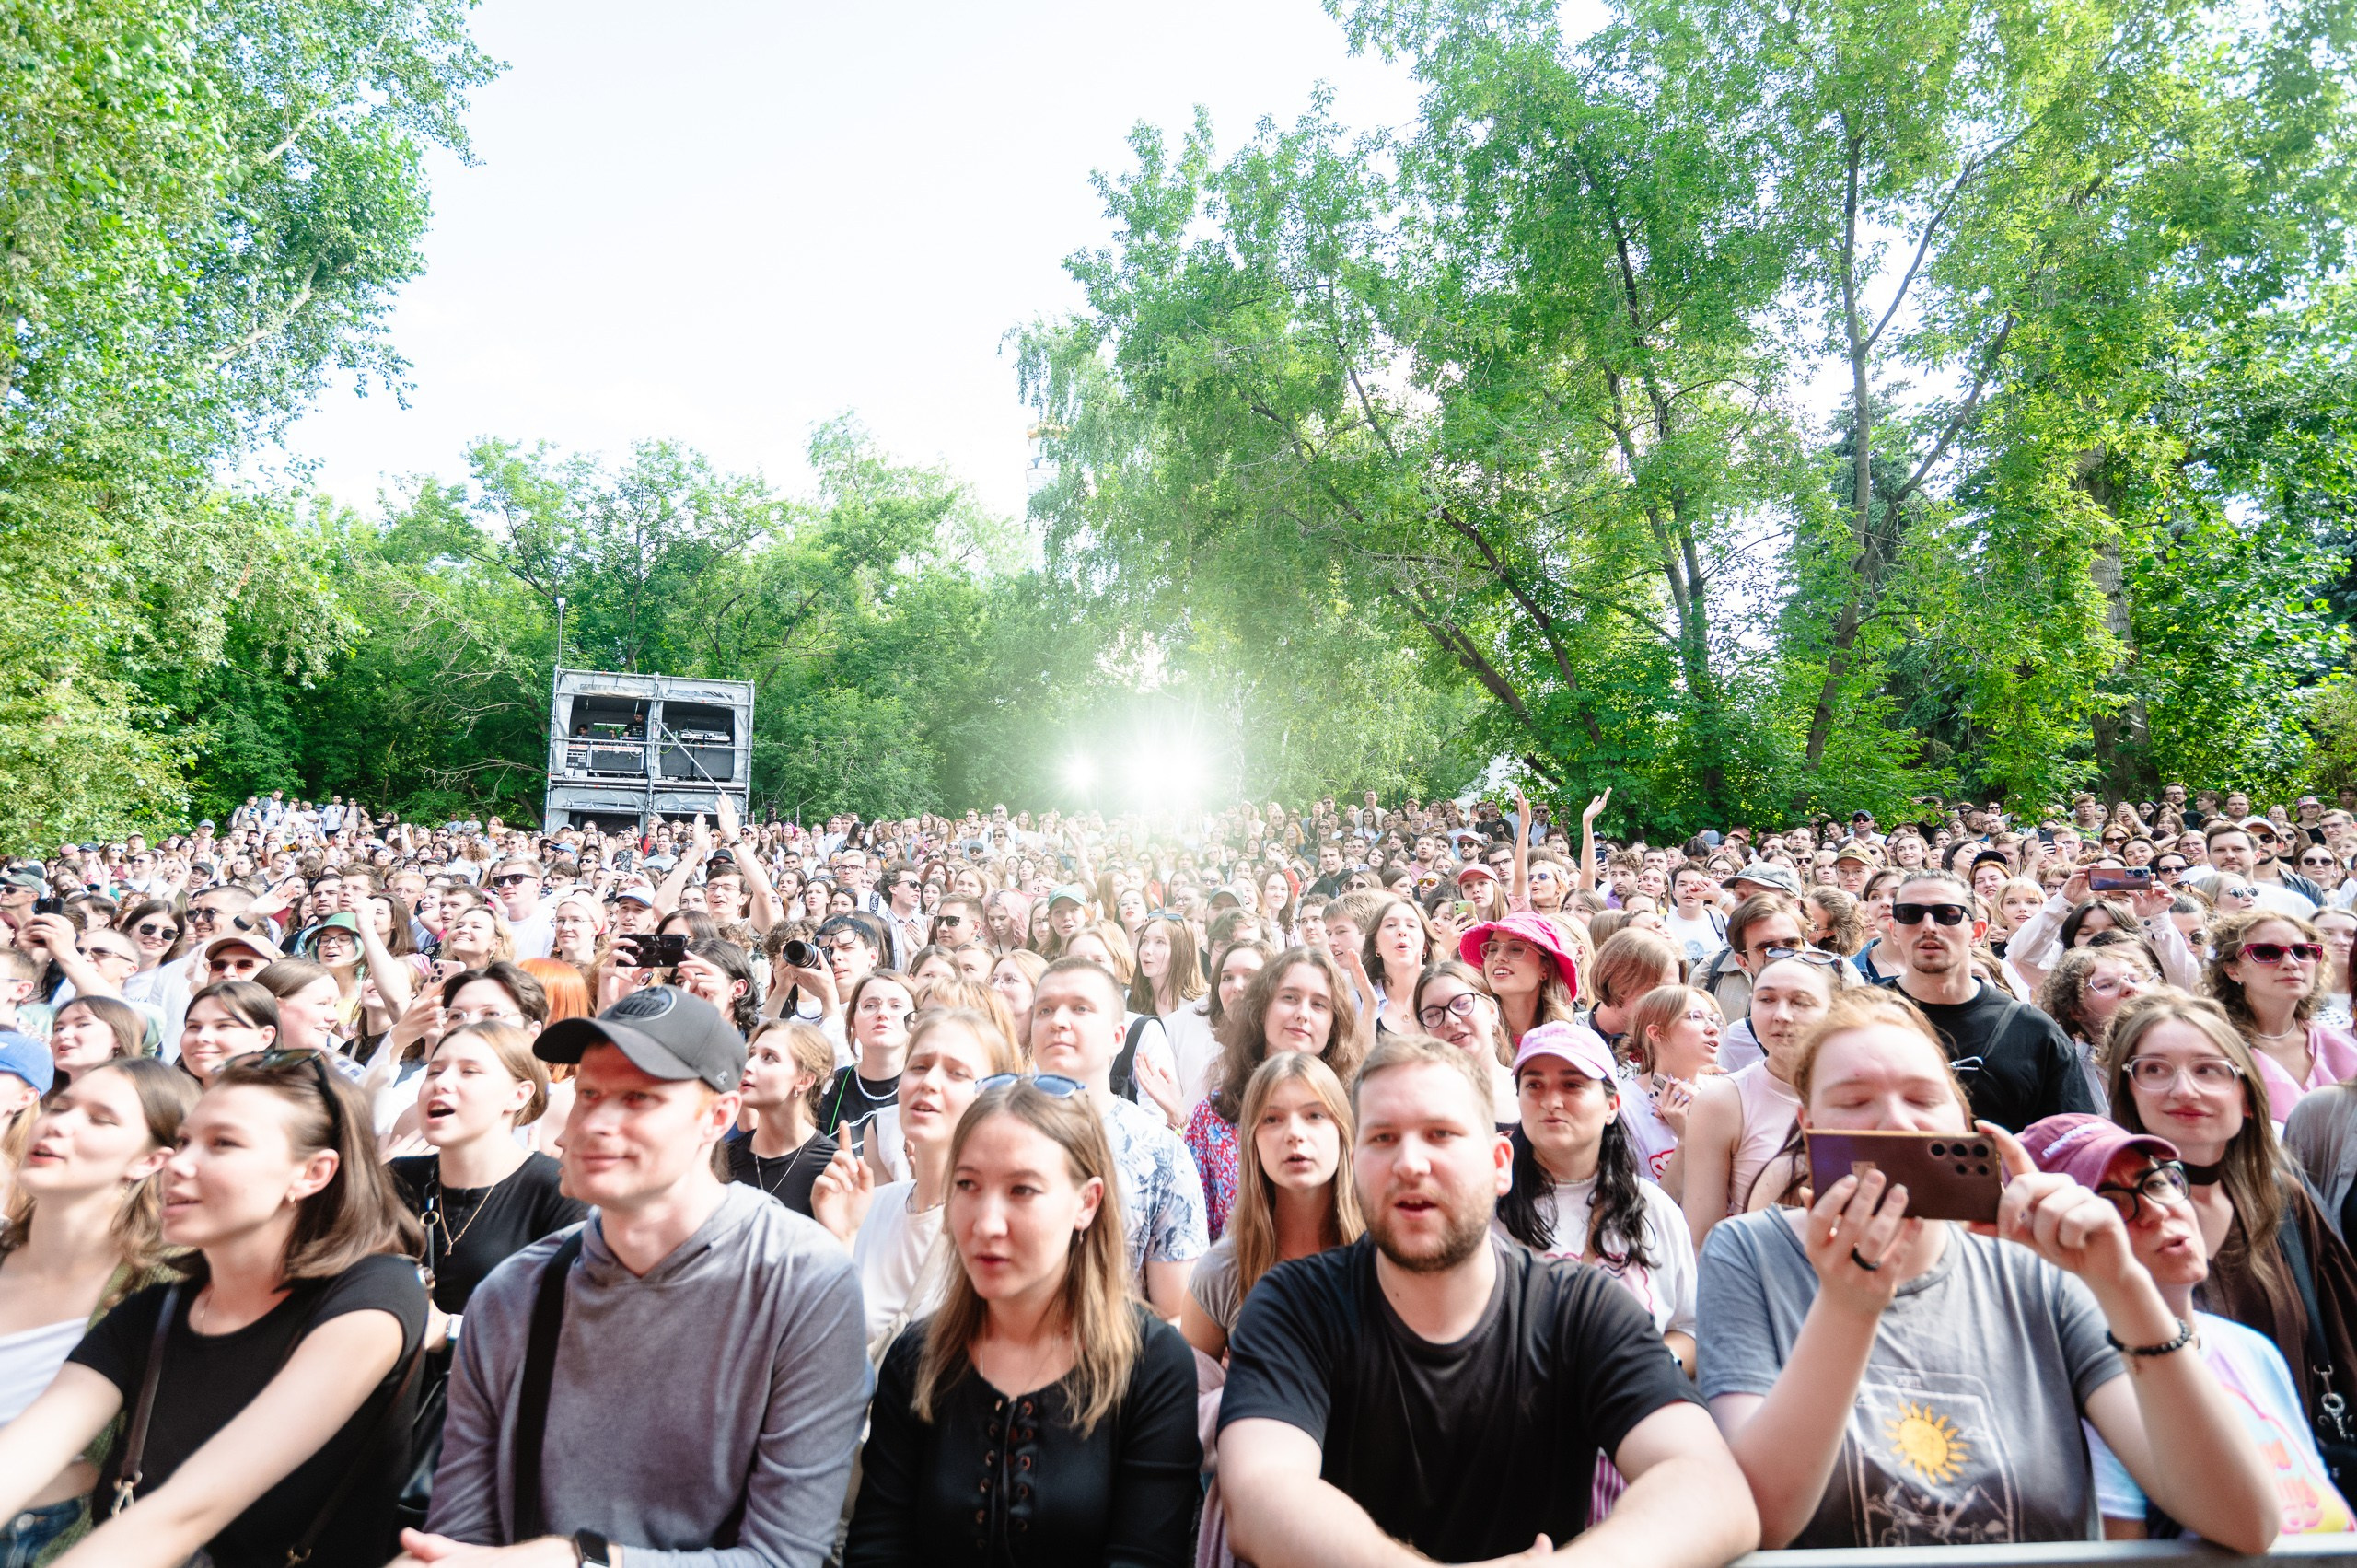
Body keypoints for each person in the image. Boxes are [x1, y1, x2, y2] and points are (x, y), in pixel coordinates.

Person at [1697, 988, 2281, 1551]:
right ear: (1808, 1126)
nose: (1898, 1124)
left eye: (1923, 1099)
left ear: (1962, 1117)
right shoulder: (1749, 1253)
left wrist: (2122, 1285)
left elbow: (2243, 1521)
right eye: (1854, 1102)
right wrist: (1848, 1306)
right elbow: (1763, 1519)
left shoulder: (2034, 1272)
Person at [1215, 1032, 1759, 1567]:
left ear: (1501, 1162)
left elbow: (1712, 1489)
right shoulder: (1293, 1305)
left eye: (1441, 1134)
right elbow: (1262, 1496)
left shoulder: (1580, 1310)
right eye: (1382, 1138)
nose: (1410, 1163)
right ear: (1354, 1163)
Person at [414, 986, 873, 1565]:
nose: (597, 1123)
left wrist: (575, 1561)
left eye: (638, 1099)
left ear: (718, 1116)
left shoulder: (803, 1282)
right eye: (588, 1093)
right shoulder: (514, 1292)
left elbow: (785, 1556)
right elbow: (458, 1538)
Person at [0, 1050, 430, 1568]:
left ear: (313, 1173)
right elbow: (25, 1452)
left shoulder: (372, 1298)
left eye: (222, 1144)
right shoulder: (152, 1313)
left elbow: (184, 1513)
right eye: (182, 1141)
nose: (178, 1164)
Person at [843, 1075, 1202, 1567]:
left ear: (1087, 1201)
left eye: (1022, 1190)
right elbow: (878, 1544)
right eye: (967, 1184)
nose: (987, 1222)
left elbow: (1144, 1555)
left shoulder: (1152, 1365)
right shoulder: (918, 1357)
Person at [2021, 1112, 2355, 1539]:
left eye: (2158, 1181)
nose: (2157, 1212)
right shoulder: (2097, 1388)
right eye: (2110, 1204)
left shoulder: (2250, 1348)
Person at [2103, 991, 2357, 1435]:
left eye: (2208, 1070)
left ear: (2245, 1096)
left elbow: (2345, 1343)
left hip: (2293, 1479)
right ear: (2129, 1091)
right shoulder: (2102, 1218)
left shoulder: (2280, 1202)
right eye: (2155, 1070)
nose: (2184, 1090)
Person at [0, 1060, 195, 1565]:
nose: (58, 1123)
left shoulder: (159, 1291)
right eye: (60, 1106)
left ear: (151, 1160)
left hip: (44, 1539)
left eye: (100, 1118)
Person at [1497, 1022, 1698, 1380]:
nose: (1551, 1101)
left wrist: (1638, 1372)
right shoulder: (1489, 1210)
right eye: (1534, 1085)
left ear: (1612, 1106)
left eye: (1572, 1084)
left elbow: (1690, 1329)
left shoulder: (1653, 1207)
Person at [812, 1007, 1021, 1350]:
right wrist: (841, 1240)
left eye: (956, 1073)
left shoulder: (999, 1228)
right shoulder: (870, 1207)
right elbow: (828, 1347)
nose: (929, 1082)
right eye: (920, 1067)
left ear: (991, 1097)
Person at [1028, 958, 1208, 1318]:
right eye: (1045, 1009)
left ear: (1116, 1038)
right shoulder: (992, 1128)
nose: (1058, 1021)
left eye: (1080, 1008)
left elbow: (1174, 1311)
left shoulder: (1159, 1150)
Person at [1179, 1052, 1362, 1364]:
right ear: (1252, 1142)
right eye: (1272, 1119)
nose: (1294, 1133)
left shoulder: (1386, 1254)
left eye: (1314, 1115)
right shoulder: (1223, 1271)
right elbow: (1189, 1395)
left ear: (1343, 1131)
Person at [1885, 871, 2097, 1129]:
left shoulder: (2034, 1031)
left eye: (1948, 914)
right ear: (1894, 930)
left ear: (1977, 932)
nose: (1929, 926)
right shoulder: (1860, 1018)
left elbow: (2075, 1140)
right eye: (1910, 914)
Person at [1186, 947, 1366, 1241]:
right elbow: (1192, 1233)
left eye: (1319, 1004)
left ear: (1335, 1023)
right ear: (1262, 1008)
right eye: (1290, 998)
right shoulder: (1214, 1115)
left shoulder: (1357, 1110)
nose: (1302, 1014)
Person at [1680, 955, 1833, 1248]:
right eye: (1766, 999)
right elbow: (1701, 1240)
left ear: (1831, 1012)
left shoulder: (1866, 1094)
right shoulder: (1722, 1102)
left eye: (1801, 1002)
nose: (1781, 1015)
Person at [2206, 910, 2357, 1121]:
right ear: (2233, 970)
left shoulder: (2343, 1043)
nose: (2291, 963)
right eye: (2267, 952)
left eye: (2302, 952)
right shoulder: (2213, 1046)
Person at [727, 1019, 839, 1217]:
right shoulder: (723, 1158)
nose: (749, 1065)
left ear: (804, 1080)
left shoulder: (832, 1167)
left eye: (769, 1057)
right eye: (752, 1055)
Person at [1620, 983, 1725, 1187]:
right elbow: (1647, 1210)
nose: (1712, 1028)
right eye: (1694, 1017)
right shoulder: (1624, 1106)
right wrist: (1687, 1139)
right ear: (1655, 1032)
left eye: (1713, 1019)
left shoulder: (1723, 1095)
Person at [817, 969, 918, 1147]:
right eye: (870, 1005)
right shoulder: (829, 1087)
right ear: (853, 1021)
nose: (882, 1014)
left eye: (896, 1006)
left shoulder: (925, 1088)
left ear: (914, 1020)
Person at [1409, 958, 1516, 1123]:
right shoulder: (1423, 1103)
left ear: (1491, 1010)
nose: (1450, 1021)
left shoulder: (1529, 1087)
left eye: (1461, 1004)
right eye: (1433, 1014)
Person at [1457, 910, 1582, 1048]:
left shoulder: (1570, 1041)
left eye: (1515, 949)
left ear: (1545, 969)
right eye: (1492, 949)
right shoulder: (1467, 1033)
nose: (1499, 957)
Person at [175, 980, 278, 1084]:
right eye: (194, 1027)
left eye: (223, 1026)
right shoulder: (164, 1097)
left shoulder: (284, 1098)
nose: (201, 1037)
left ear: (265, 1037)